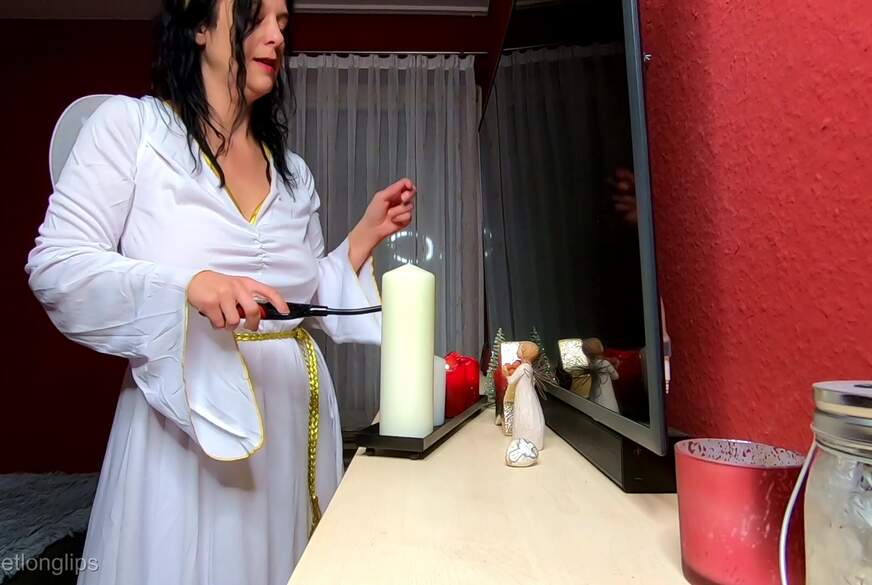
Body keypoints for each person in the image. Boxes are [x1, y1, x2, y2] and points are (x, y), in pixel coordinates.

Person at [24, 1, 416, 584]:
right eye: (256, 17)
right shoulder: (132, 130)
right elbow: (56, 266)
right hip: (188, 427)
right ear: (200, 26)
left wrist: (362, 238)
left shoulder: (293, 173)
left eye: (283, 23)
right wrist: (188, 287)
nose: (275, 36)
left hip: (291, 426)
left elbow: (298, 298)